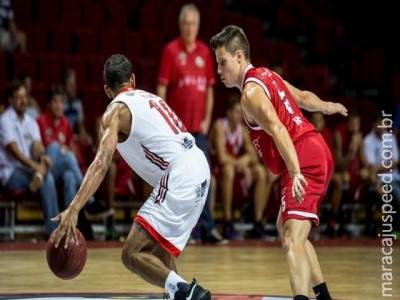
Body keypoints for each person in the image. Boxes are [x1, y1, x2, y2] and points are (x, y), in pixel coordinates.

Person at [50, 54, 211, 300]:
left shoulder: (113, 113)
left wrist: (74, 207)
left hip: (179, 173)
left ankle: (188, 293)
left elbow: (101, 163)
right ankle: (179, 294)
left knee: (131, 253)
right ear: (132, 79)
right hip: (200, 167)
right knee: (159, 246)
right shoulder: (151, 98)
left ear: (107, 90)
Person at [210, 25, 347, 300]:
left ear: (239, 56)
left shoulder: (250, 93)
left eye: (222, 62)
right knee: (285, 225)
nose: (219, 70)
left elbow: (278, 129)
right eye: (217, 64)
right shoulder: (268, 75)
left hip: (302, 157)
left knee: (291, 238)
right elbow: (304, 98)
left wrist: (296, 172)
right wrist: (327, 106)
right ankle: (323, 296)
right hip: (312, 149)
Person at [157, 4, 225, 244]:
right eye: (185, 23)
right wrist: (164, 122)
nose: (188, 28)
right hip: (178, 132)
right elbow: (162, 89)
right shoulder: (170, 51)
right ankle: (182, 230)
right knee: (179, 181)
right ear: (180, 25)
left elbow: (209, 89)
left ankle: (207, 228)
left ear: (197, 26)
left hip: (199, 129)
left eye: (192, 23)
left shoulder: (205, 53)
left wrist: (207, 118)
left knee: (205, 178)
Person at [0, 79, 58, 237]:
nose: (23, 101)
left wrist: (42, 155)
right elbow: (15, 152)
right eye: (19, 97)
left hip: (29, 169)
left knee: (52, 149)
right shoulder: (4, 120)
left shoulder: (30, 121)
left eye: (25, 96)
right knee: (48, 177)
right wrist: (36, 167)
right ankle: (53, 231)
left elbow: (37, 145)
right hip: (11, 172)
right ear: (11, 100)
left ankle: (52, 231)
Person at [209, 96, 269, 239]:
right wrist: (241, 163)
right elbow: (223, 158)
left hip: (234, 170)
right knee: (229, 169)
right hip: (217, 171)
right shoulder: (219, 126)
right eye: (236, 112)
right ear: (228, 113)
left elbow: (254, 156)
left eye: (241, 112)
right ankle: (227, 222)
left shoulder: (241, 129)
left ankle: (258, 223)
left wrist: (246, 160)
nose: (240, 115)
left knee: (260, 171)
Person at [363, 113, 400, 237]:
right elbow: (371, 166)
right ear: (374, 125)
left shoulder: (391, 138)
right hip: (380, 180)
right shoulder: (368, 140)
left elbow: (395, 163)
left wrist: (379, 167)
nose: (381, 127)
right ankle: (396, 229)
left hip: (395, 177)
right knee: (397, 193)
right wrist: (384, 166)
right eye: (379, 124)